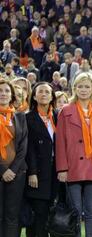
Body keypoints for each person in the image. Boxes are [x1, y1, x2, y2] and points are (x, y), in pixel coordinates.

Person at [56, 72, 92, 237]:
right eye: (80, 86)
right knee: (76, 211)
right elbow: (60, 143)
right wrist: (62, 169)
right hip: (73, 167)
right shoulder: (65, 111)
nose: (84, 90)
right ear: (74, 89)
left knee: (91, 210)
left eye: (87, 86)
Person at [25, 82, 58, 237]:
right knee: (38, 214)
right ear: (34, 96)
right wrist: (32, 172)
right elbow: (29, 148)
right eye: (40, 91)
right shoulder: (28, 118)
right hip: (37, 173)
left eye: (47, 92)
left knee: (49, 214)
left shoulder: (57, 117)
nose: (44, 94)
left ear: (52, 96)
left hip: (55, 172)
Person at [0, 79, 28, 237]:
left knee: (12, 216)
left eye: (6, 91)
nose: (3, 94)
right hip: (1, 170)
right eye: (0, 90)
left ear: (11, 95)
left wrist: (12, 170)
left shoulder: (20, 117)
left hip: (17, 174)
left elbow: (23, 147)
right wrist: (3, 170)